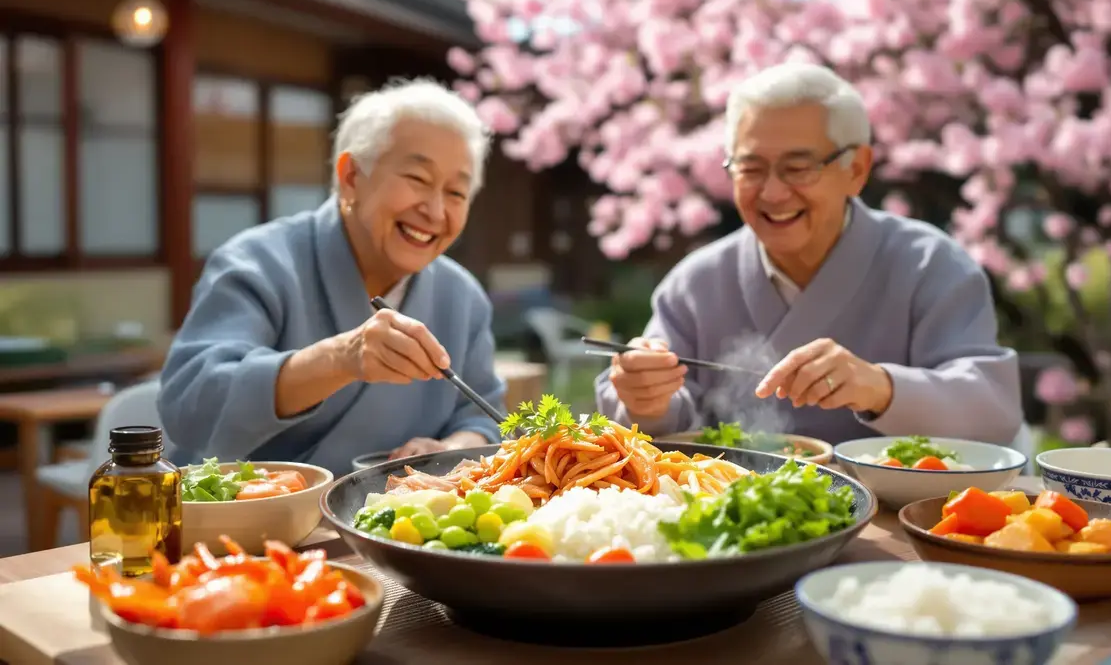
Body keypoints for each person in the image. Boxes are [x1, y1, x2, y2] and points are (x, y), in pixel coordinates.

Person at [594, 63, 1022, 446]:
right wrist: (644, 400)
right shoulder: (696, 284)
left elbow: (994, 413)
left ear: (856, 169)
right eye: (751, 168)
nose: (774, 192)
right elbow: (653, 418)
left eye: (798, 168)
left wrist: (881, 387)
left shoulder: (931, 265)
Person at [158, 79, 505, 476]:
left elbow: (484, 420)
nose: (435, 210)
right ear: (351, 177)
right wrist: (340, 358)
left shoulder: (461, 296)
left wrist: (447, 450)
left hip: (392, 530)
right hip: (243, 522)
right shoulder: (258, 263)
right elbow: (190, 406)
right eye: (418, 179)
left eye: (456, 194)